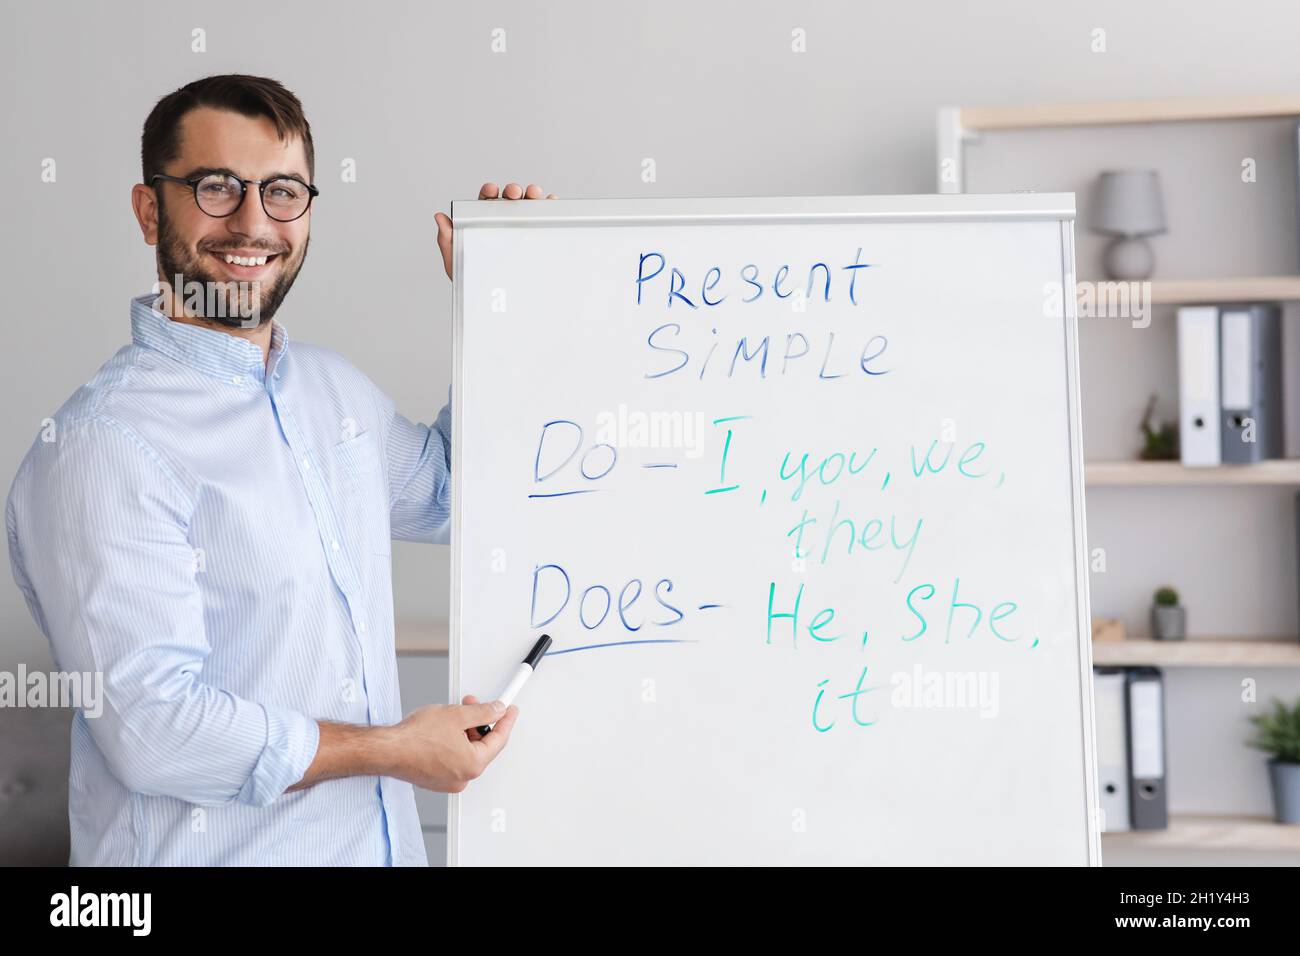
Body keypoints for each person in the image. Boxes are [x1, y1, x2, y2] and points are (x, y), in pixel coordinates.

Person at [4, 74, 551, 865]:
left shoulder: (334, 394)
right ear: (150, 208)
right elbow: (155, 733)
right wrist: (394, 749)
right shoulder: (102, 445)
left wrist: (507, 306)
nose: (254, 222)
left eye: (282, 190)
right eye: (217, 187)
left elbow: (455, 495)